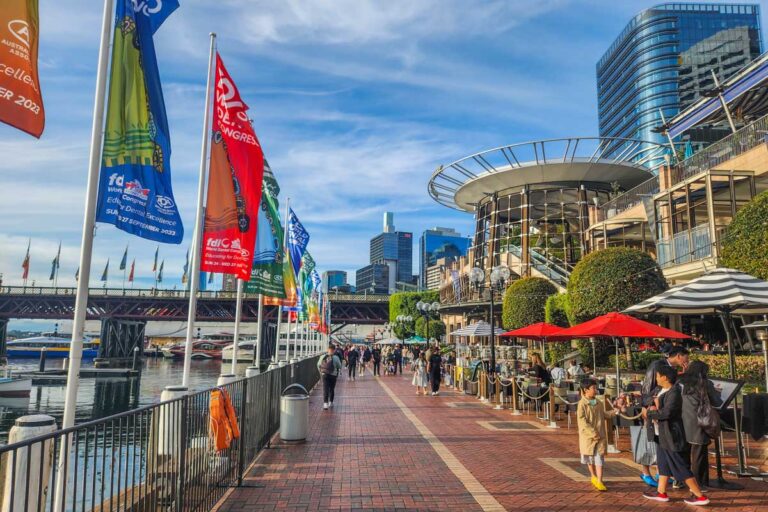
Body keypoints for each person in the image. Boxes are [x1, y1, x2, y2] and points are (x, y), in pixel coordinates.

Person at [642, 365, 709, 506]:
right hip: (660, 433)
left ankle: (699, 495)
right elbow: (647, 398)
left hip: (671, 434)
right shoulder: (660, 390)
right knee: (663, 463)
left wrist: (649, 413)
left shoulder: (675, 392)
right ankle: (661, 492)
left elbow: (667, 413)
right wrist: (651, 404)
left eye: (658, 376)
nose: (656, 378)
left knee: (680, 465)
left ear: (665, 377)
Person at [639, 346, 690, 487]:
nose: (687, 361)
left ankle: (663, 476)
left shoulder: (672, 370)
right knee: (652, 443)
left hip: (663, 412)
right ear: (679, 356)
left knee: (662, 445)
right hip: (654, 409)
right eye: (686, 358)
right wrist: (647, 406)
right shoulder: (657, 365)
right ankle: (649, 473)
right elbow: (647, 386)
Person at [679, 361, 722, 489]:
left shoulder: (680, 381)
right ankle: (699, 483)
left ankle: (682, 480)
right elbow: (717, 401)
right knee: (699, 454)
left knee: (684, 453)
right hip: (699, 421)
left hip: (682, 420)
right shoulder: (704, 383)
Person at [577, 378, 617, 492]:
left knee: (599, 458)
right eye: (593, 388)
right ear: (586, 390)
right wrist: (592, 433)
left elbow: (605, 415)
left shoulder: (598, 402)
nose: (596, 390)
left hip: (600, 436)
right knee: (589, 458)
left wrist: (616, 411)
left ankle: (599, 480)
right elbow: (582, 421)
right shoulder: (582, 404)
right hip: (588, 437)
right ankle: (593, 476)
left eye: (596, 387)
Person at [317, 344, 342, 410]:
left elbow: (318, 364)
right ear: (334, 350)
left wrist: (321, 372)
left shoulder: (322, 356)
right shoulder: (336, 357)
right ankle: (331, 402)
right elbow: (339, 366)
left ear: (328, 349)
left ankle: (325, 404)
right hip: (333, 375)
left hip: (324, 374)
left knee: (325, 388)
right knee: (331, 388)